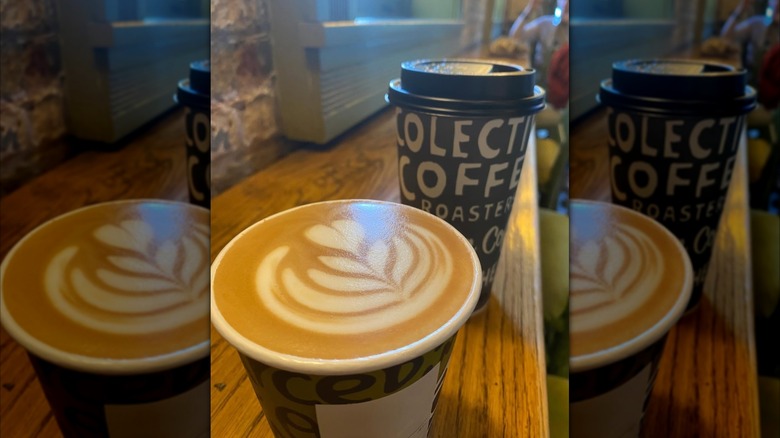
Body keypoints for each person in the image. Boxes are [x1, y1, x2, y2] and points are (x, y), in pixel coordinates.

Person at [509, 0, 569, 88]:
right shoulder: (545, 23)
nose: (566, 4)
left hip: (563, 85)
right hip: (540, 79)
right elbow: (515, 37)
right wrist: (530, 9)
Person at [721, 0, 780, 79]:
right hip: (752, 76)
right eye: (775, 2)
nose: (777, 4)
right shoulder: (758, 23)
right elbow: (726, 37)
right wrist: (741, 9)